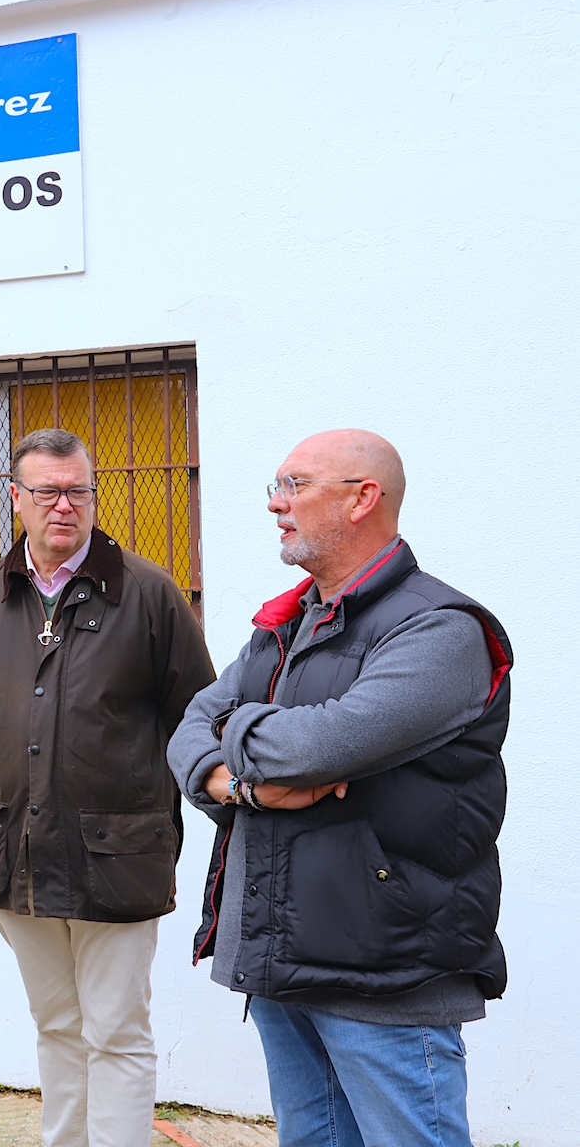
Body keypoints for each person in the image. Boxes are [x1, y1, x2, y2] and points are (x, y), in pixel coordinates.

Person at [169, 430, 510, 1147]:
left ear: (363, 498)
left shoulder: (440, 631)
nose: (274, 503)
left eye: (294, 485)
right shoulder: (287, 623)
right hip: (282, 961)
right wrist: (246, 786)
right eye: (275, 486)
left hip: (386, 971)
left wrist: (242, 735)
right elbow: (187, 731)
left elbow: (317, 747)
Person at [0, 428, 215, 1147]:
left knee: (116, 1035)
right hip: (17, 854)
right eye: (47, 492)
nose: (64, 506)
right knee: (57, 1028)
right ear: (15, 499)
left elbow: (195, 718)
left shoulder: (150, 595)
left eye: (78, 491)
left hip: (117, 856)